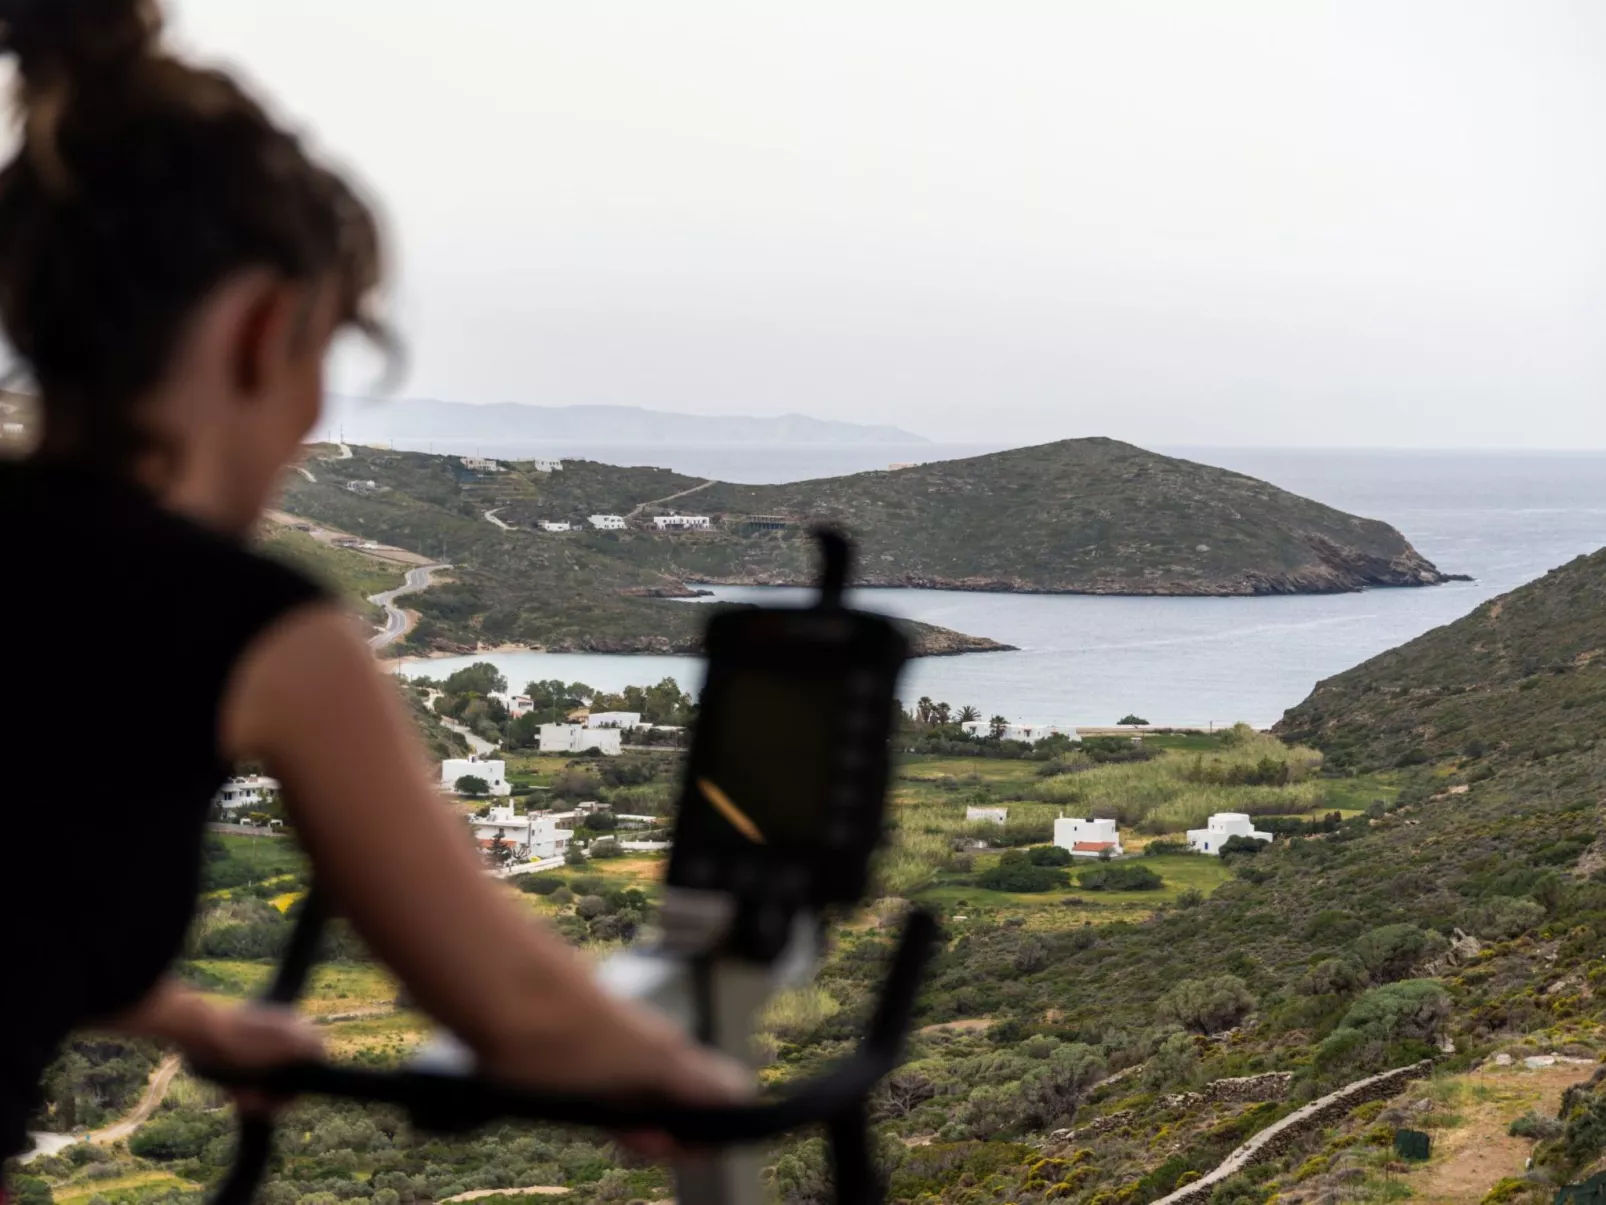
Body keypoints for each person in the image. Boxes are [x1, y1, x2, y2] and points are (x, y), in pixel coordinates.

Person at [0, 0, 746, 1172]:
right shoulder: (246, 627)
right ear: (264, 329)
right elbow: (517, 1005)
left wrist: (194, 1018)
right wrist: (694, 1079)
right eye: (329, 348)